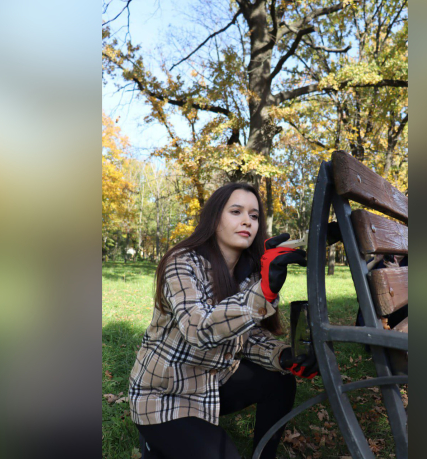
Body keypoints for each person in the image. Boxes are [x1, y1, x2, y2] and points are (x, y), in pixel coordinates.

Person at [129, 182, 318, 459]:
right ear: (214, 219)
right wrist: (262, 293)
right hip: (164, 393)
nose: (247, 221)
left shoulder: (249, 275)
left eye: (254, 215)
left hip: (213, 382)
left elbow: (246, 338)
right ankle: (155, 440)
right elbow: (197, 328)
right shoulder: (181, 263)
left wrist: (284, 356)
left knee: (280, 380)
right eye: (236, 211)